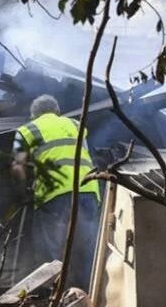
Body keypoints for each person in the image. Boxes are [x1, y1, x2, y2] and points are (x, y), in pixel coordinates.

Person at [11, 94, 101, 291]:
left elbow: (18, 168)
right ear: (57, 111)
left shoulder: (26, 130)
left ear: (33, 115)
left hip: (53, 193)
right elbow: (85, 153)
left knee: (49, 254)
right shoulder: (75, 125)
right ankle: (88, 298)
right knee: (90, 251)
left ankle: (53, 300)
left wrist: (22, 194)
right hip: (87, 189)